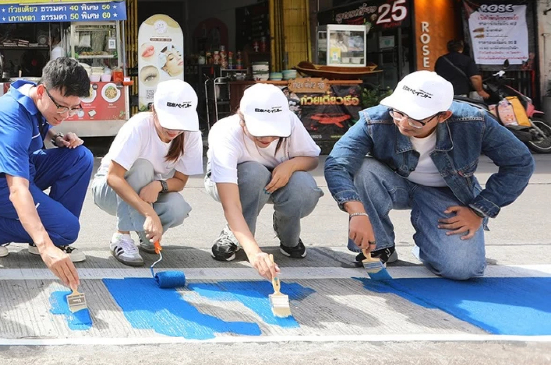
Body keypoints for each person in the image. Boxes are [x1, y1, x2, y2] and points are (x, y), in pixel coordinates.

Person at [323, 71, 534, 280]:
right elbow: (337, 164)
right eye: (399, 113)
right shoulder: (375, 120)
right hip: (395, 183)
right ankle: (381, 246)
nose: (404, 123)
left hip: (447, 193)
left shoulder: (474, 122)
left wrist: (479, 210)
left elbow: (520, 162)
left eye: (416, 119)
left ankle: (430, 244)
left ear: (444, 115)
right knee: (362, 168)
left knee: (462, 270)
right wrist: (357, 212)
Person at [0, 57, 95, 290]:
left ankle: (53, 232)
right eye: (62, 106)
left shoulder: (31, 93)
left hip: (25, 165)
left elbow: (39, 123)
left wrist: (56, 138)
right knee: (68, 230)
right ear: (43, 91)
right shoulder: (11, 119)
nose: (66, 114)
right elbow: (17, 189)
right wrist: (45, 246)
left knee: (80, 157)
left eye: (74, 107)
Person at [203, 83, 322, 280]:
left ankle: (288, 236)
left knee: (303, 184)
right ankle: (236, 234)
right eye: (259, 130)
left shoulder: (291, 121)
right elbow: (230, 203)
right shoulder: (225, 132)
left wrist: (290, 166)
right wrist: (254, 253)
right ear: (242, 120)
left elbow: (312, 159)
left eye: (274, 130)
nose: (267, 137)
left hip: (277, 180)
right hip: (234, 183)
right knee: (253, 172)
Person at [90, 80, 203, 267]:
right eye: (168, 122)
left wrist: (159, 185)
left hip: (147, 191)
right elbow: (113, 177)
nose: (174, 130)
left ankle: (145, 236)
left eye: (180, 123)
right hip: (108, 191)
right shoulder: (139, 126)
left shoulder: (191, 134)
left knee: (177, 207)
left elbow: (180, 182)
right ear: (153, 110)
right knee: (143, 166)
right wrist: (149, 213)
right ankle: (122, 236)